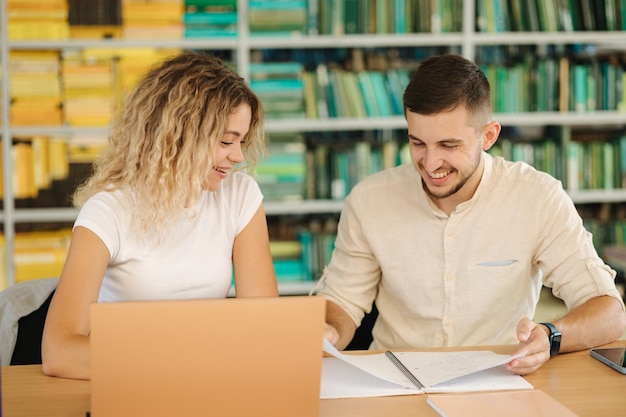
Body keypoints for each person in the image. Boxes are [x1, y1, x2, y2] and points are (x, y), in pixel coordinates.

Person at [320, 54, 626, 375]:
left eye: (449, 145)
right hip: (394, 382)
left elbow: (608, 313)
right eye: (418, 143)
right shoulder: (370, 200)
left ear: (488, 136)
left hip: (498, 380)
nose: (431, 163)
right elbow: (341, 302)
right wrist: (328, 333)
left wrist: (551, 336)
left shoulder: (537, 197)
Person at [42, 51, 279, 380]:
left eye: (242, 141)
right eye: (226, 141)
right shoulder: (109, 211)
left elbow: (265, 327)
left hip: (206, 381)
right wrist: (179, 363)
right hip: (133, 384)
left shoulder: (240, 196)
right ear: (179, 135)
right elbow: (59, 351)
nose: (238, 156)